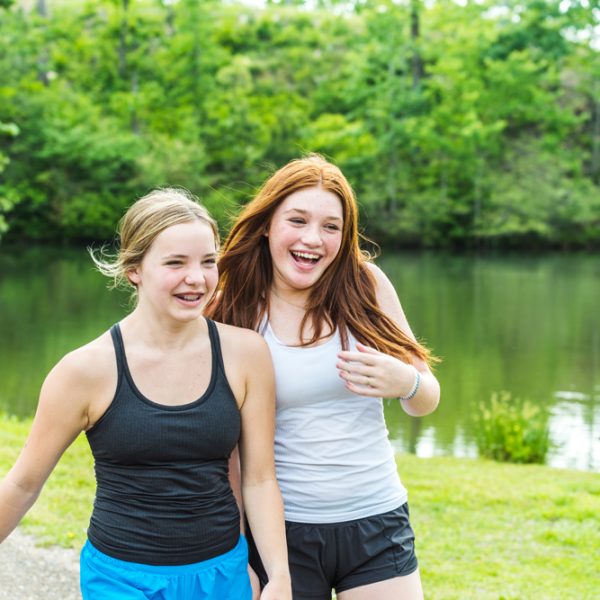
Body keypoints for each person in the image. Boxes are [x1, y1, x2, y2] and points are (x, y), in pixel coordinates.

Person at [0, 188, 291, 600]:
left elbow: (259, 479)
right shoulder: (84, 371)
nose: (197, 278)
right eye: (176, 263)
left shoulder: (246, 353)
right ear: (135, 269)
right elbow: (23, 484)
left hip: (221, 575)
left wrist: (278, 574)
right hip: (121, 581)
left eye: (208, 262)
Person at [206, 155, 440, 600]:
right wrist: (238, 550)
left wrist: (404, 381)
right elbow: (224, 453)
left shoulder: (366, 285)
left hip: (377, 521)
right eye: (297, 220)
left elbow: (426, 397)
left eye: (331, 226)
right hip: (279, 533)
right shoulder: (230, 307)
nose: (313, 239)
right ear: (267, 224)